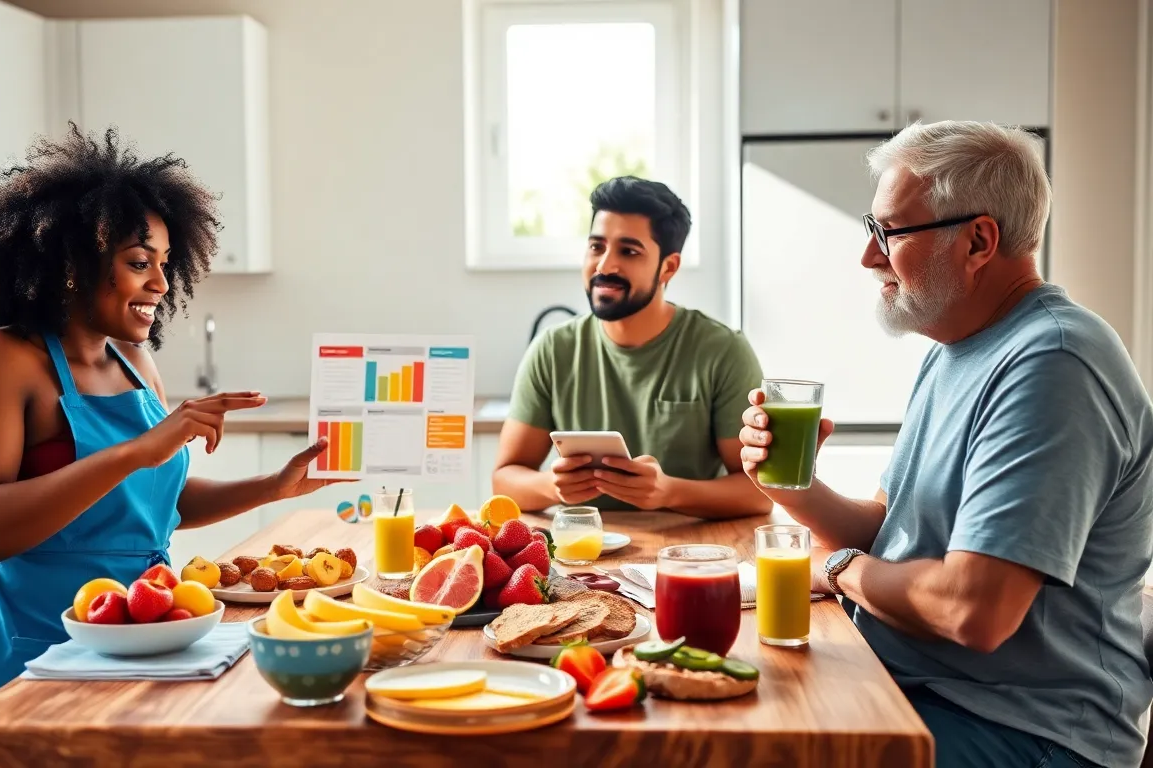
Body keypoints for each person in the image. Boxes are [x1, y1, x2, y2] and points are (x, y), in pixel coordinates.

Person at [739, 120, 1153, 768]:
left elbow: (974, 611)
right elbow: (889, 532)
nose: (868, 256)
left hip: (1025, 732)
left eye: (889, 232)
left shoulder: (1055, 363)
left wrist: (839, 570)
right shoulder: (957, 349)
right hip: (923, 691)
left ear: (979, 241)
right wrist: (787, 484)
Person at [0, 125, 341, 713]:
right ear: (74, 265)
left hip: (150, 633)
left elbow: (151, 503)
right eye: (138, 262)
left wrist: (271, 488)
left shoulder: (132, 360)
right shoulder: (2, 359)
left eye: (165, 263)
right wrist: (137, 450)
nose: (160, 282)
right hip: (41, 656)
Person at [493, 176, 770, 518]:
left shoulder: (723, 351)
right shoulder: (552, 350)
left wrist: (669, 492)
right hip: (582, 554)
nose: (605, 265)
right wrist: (552, 487)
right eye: (596, 247)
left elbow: (760, 493)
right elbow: (504, 480)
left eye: (629, 251)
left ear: (668, 267)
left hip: (689, 551)